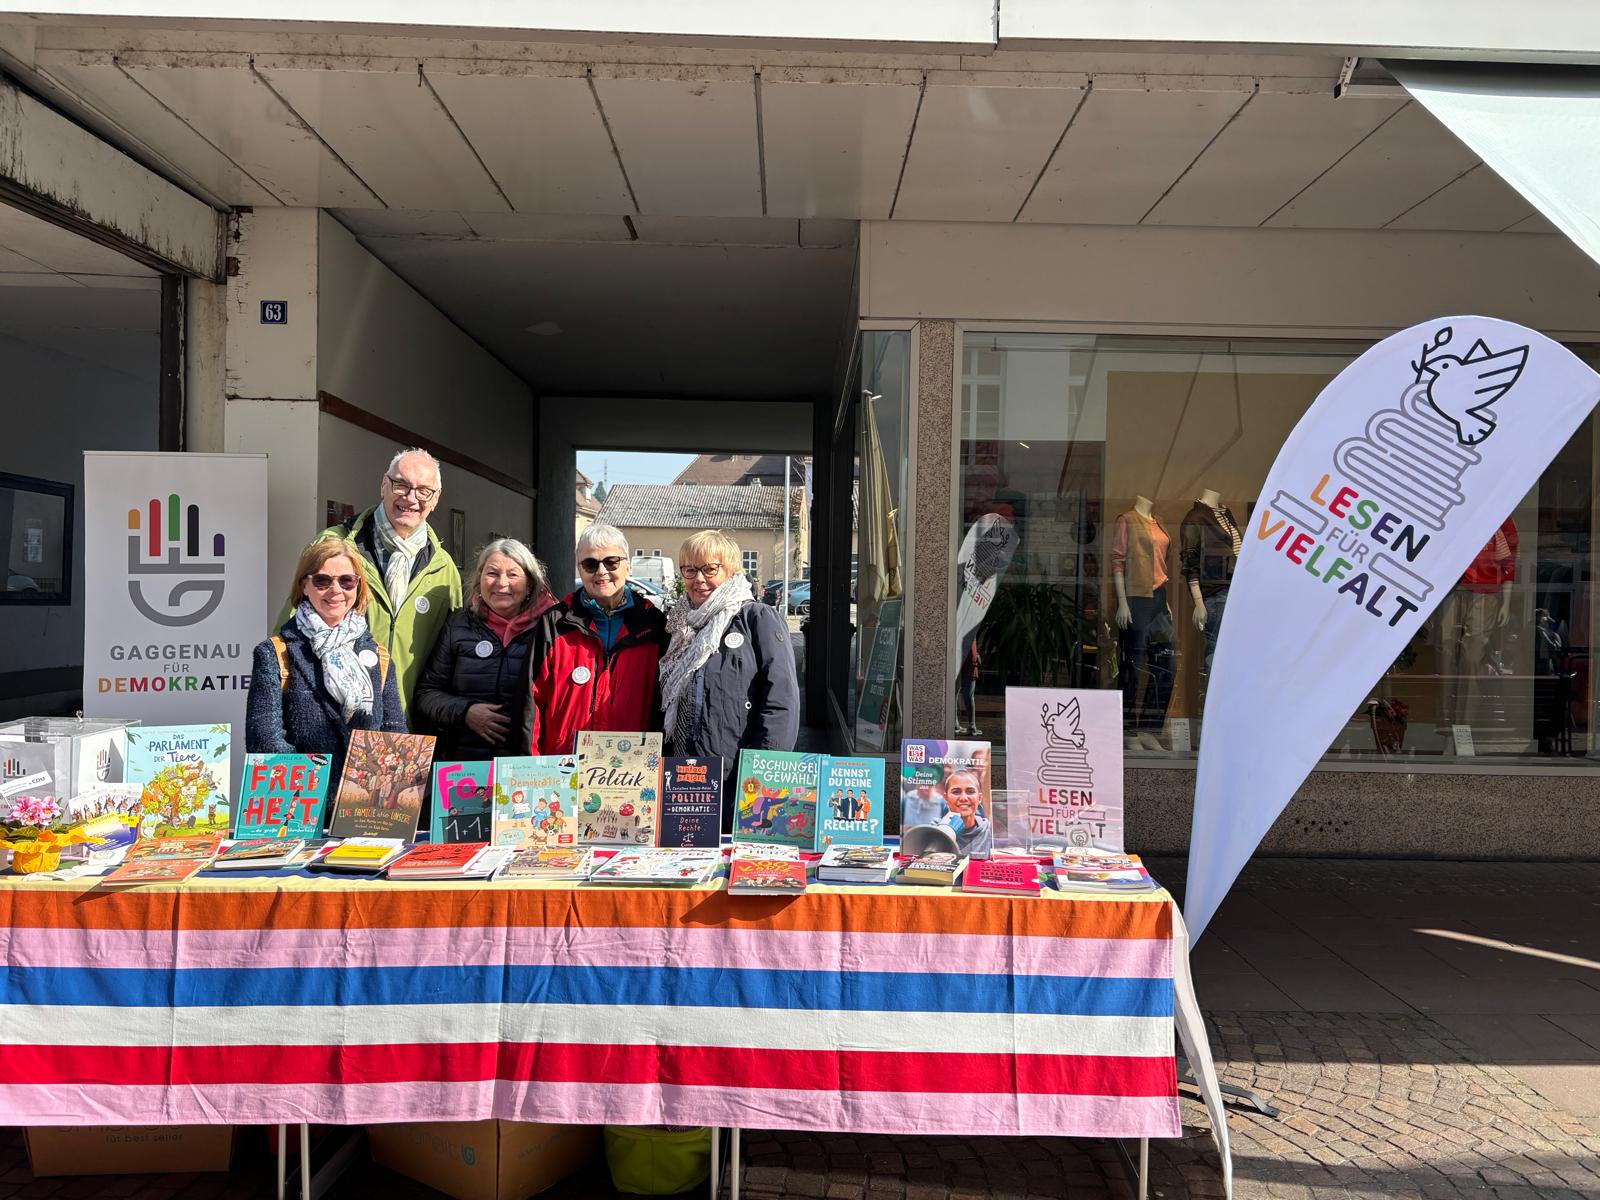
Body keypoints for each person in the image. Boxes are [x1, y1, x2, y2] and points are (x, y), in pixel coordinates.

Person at [285, 448, 462, 721]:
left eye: (424, 490)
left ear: (435, 499)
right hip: (333, 723)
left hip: (408, 729)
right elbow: (291, 633)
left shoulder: (443, 568)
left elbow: (453, 657)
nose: (410, 498)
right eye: (401, 485)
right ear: (383, 485)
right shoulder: (333, 548)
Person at [657, 530, 800, 819]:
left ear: (731, 570)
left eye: (710, 569)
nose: (699, 579)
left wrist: (764, 773)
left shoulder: (755, 618)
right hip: (682, 775)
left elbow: (781, 703)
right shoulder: (677, 626)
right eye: (690, 569)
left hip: (736, 779)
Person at [247, 535, 406, 790]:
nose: (336, 590)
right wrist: (324, 793)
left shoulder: (379, 656)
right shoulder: (274, 653)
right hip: (302, 808)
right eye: (322, 581)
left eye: (347, 581)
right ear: (304, 587)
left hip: (363, 808)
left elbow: (395, 734)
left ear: (358, 586)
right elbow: (265, 740)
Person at [523, 524, 667, 755]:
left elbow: (665, 706)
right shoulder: (555, 623)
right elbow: (530, 704)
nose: (601, 571)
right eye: (590, 564)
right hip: (564, 770)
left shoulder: (653, 624)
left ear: (628, 566)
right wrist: (532, 767)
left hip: (631, 771)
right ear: (579, 570)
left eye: (611, 562)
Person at [414, 538, 558, 761]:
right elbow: (427, 693)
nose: (501, 584)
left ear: (529, 583)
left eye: (513, 575)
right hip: (466, 765)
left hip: (529, 767)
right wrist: (465, 711)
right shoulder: (458, 626)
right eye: (492, 573)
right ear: (480, 578)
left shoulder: (551, 629)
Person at [941, 767, 993, 858]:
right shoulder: (935, 832)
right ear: (946, 798)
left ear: (980, 798)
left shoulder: (991, 832)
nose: (963, 798)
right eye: (956, 792)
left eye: (970, 792)